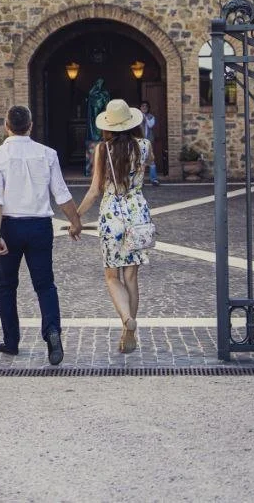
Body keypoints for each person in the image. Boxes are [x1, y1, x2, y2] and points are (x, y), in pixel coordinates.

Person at [0, 105, 83, 365]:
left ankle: (12, 342)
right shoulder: (47, 154)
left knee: (6, 286)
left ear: (7, 126)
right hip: (40, 227)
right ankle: (52, 333)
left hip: (9, 226)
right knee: (45, 285)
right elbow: (61, 193)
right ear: (30, 125)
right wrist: (76, 221)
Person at [76, 98, 153, 354]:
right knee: (132, 275)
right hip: (137, 212)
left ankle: (125, 319)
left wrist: (76, 217)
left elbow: (95, 190)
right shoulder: (144, 146)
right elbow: (145, 168)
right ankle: (128, 327)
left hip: (112, 216)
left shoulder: (102, 150)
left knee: (112, 275)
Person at [139, 100, 160, 187]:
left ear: (148, 108)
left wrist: (145, 117)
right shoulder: (137, 117)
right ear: (140, 108)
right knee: (140, 161)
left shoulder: (151, 117)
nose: (144, 108)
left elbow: (151, 125)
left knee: (151, 160)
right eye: (142, 106)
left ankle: (154, 179)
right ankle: (140, 181)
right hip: (139, 141)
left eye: (146, 107)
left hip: (148, 141)